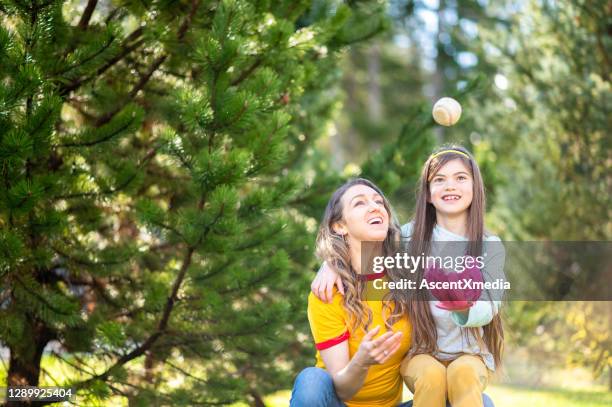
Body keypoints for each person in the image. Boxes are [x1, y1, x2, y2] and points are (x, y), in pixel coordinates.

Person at [311, 146, 504, 407]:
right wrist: (332, 263)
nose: (450, 186)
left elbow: (492, 303)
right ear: (427, 194)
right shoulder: (410, 237)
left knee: (464, 375)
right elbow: (368, 248)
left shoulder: (490, 246)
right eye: (439, 179)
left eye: (460, 178)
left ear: (475, 187)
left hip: (470, 353)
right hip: (423, 352)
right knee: (430, 376)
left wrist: (464, 308)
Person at [290, 178, 412, 407]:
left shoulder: (406, 276)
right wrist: (362, 362)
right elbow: (343, 390)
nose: (375, 207)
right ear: (340, 226)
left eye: (378, 202)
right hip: (342, 403)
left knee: (477, 401)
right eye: (359, 203)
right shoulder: (328, 292)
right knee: (311, 380)